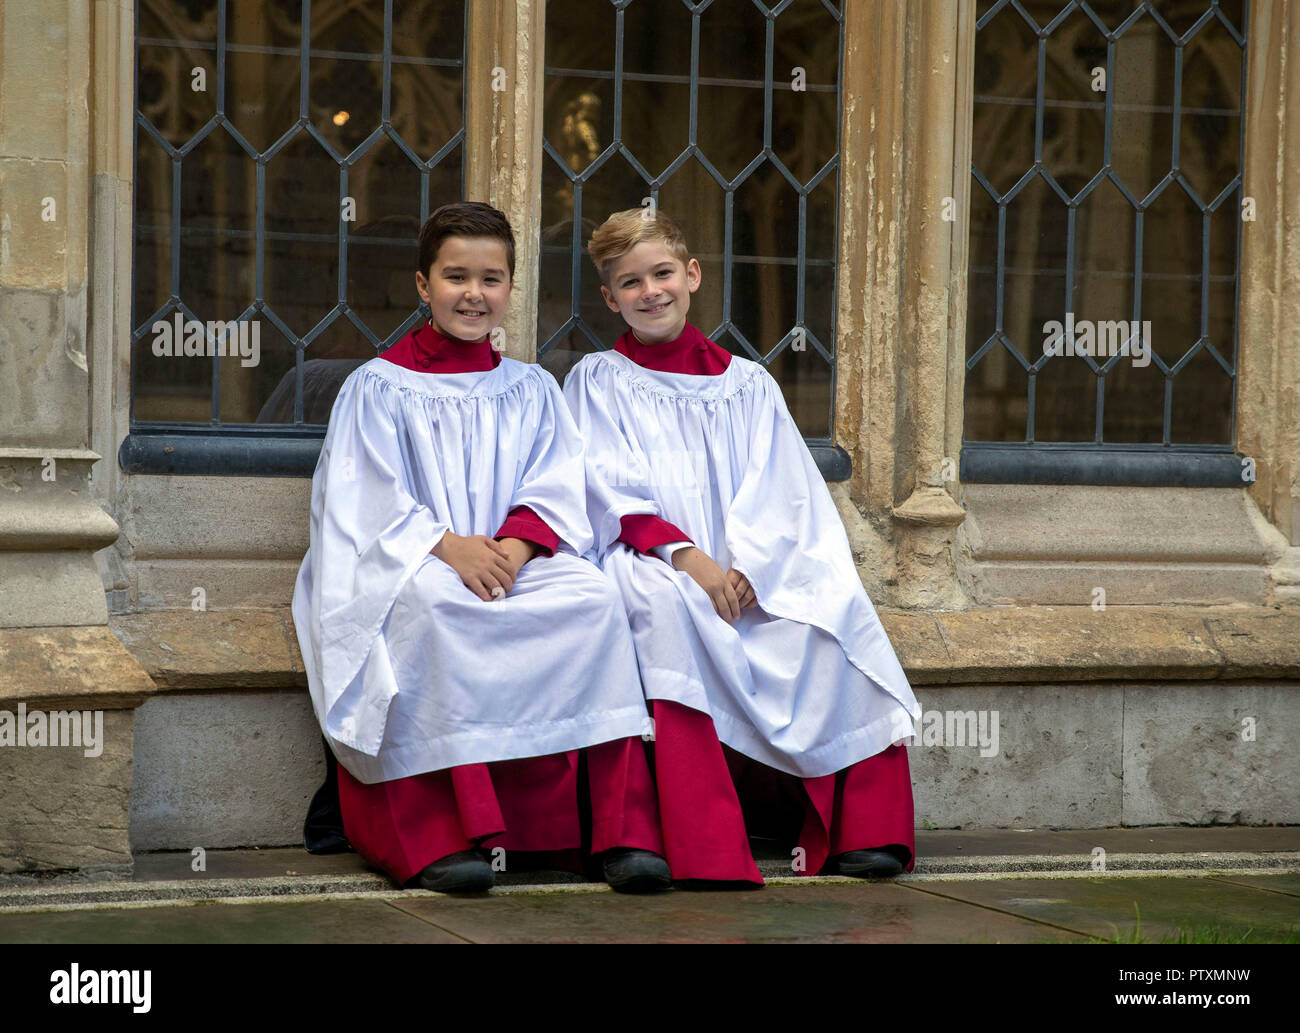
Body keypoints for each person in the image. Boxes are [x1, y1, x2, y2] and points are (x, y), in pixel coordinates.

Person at [291, 201, 669, 894]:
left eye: (491, 278)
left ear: (510, 288)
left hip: (511, 558)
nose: (474, 293)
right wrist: (448, 547)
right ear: (422, 284)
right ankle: (439, 835)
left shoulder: (529, 387)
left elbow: (558, 481)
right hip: (411, 563)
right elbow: (359, 499)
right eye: (456, 276)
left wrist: (517, 549)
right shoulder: (376, 387)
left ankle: (618, 832)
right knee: (437, 611)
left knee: (593, 599)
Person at [562, 208, 920, 885]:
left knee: (827, 613)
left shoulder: (748, 383)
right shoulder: (597, 380)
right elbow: (601, 484)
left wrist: (751, 567)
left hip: (749, 569)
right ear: (611, 298)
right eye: (630, 283)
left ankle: (865, 827)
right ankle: (658, 836)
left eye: (663, 273)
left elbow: (784, 490)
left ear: (692, 275)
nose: (651, 291)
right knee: (662, 610)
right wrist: (688, 559)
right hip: (653, 559)